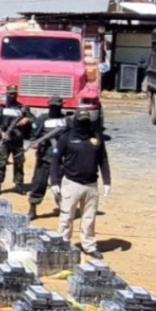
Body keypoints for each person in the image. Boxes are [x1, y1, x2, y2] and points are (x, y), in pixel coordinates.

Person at [51, 109, 111, 259]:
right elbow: (55, 160)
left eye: (86, 121)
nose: (83, 124)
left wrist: (107, 181)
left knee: (89, 217)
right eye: (81, 121)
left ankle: (89, 246)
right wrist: (54, 182)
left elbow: (103, 160)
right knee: (66, 217)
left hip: (91, 185)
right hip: (71, 183)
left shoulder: (96, 138)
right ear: (75, 121)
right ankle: (62, 245)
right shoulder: (66, 138)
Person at [27, 95, 69, 219]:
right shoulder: (42, 119)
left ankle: (63, 208)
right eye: (53, 106)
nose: (54, 109)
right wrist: (35, 143)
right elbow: (33, 135)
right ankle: (32, 208)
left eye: (57, 107)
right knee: (39, 183)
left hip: (61, 158)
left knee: (61, 185)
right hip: (44, 157)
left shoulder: (66, 120)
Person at [0, 85, 33, 196]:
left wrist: (27, 119)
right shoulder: (1, 108)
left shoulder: (22, 108)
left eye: (14, 93)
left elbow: (33, 119)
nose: (12, 95)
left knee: (19, 163)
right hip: (5, 141)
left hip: (17, 141)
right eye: (10, 93)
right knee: (1, 163)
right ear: (7, 94)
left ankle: (18, 184)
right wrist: (1, 133)